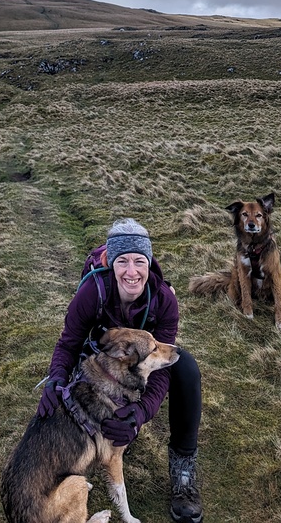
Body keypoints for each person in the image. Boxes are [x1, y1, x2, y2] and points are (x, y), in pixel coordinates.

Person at [37, 218, 203, 523]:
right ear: (111, 264)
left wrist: (140, 414)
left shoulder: (164, 300)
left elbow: (163, 367)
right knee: (74, 383)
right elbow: (68, 343)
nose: (131, 271)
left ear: (149, 264)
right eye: (122, 261)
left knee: (186, 369)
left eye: (139, 261)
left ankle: (183, 466)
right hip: (98, 356)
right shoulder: (92, 292)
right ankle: (86, 442)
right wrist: (56, 379)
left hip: (144, 359)